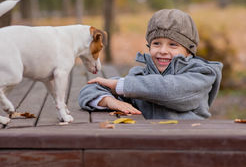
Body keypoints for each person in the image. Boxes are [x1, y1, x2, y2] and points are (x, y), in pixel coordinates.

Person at [78, 9, 223, 120]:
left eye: (173, 45)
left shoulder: (201, 74)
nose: (163, 51)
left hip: (190, 146)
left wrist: (121, 86)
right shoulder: (140, 76)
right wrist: (108, 101)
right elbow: (90, 89)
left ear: (189, 51)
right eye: (156, 43)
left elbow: (170, 90)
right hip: (147, 146)